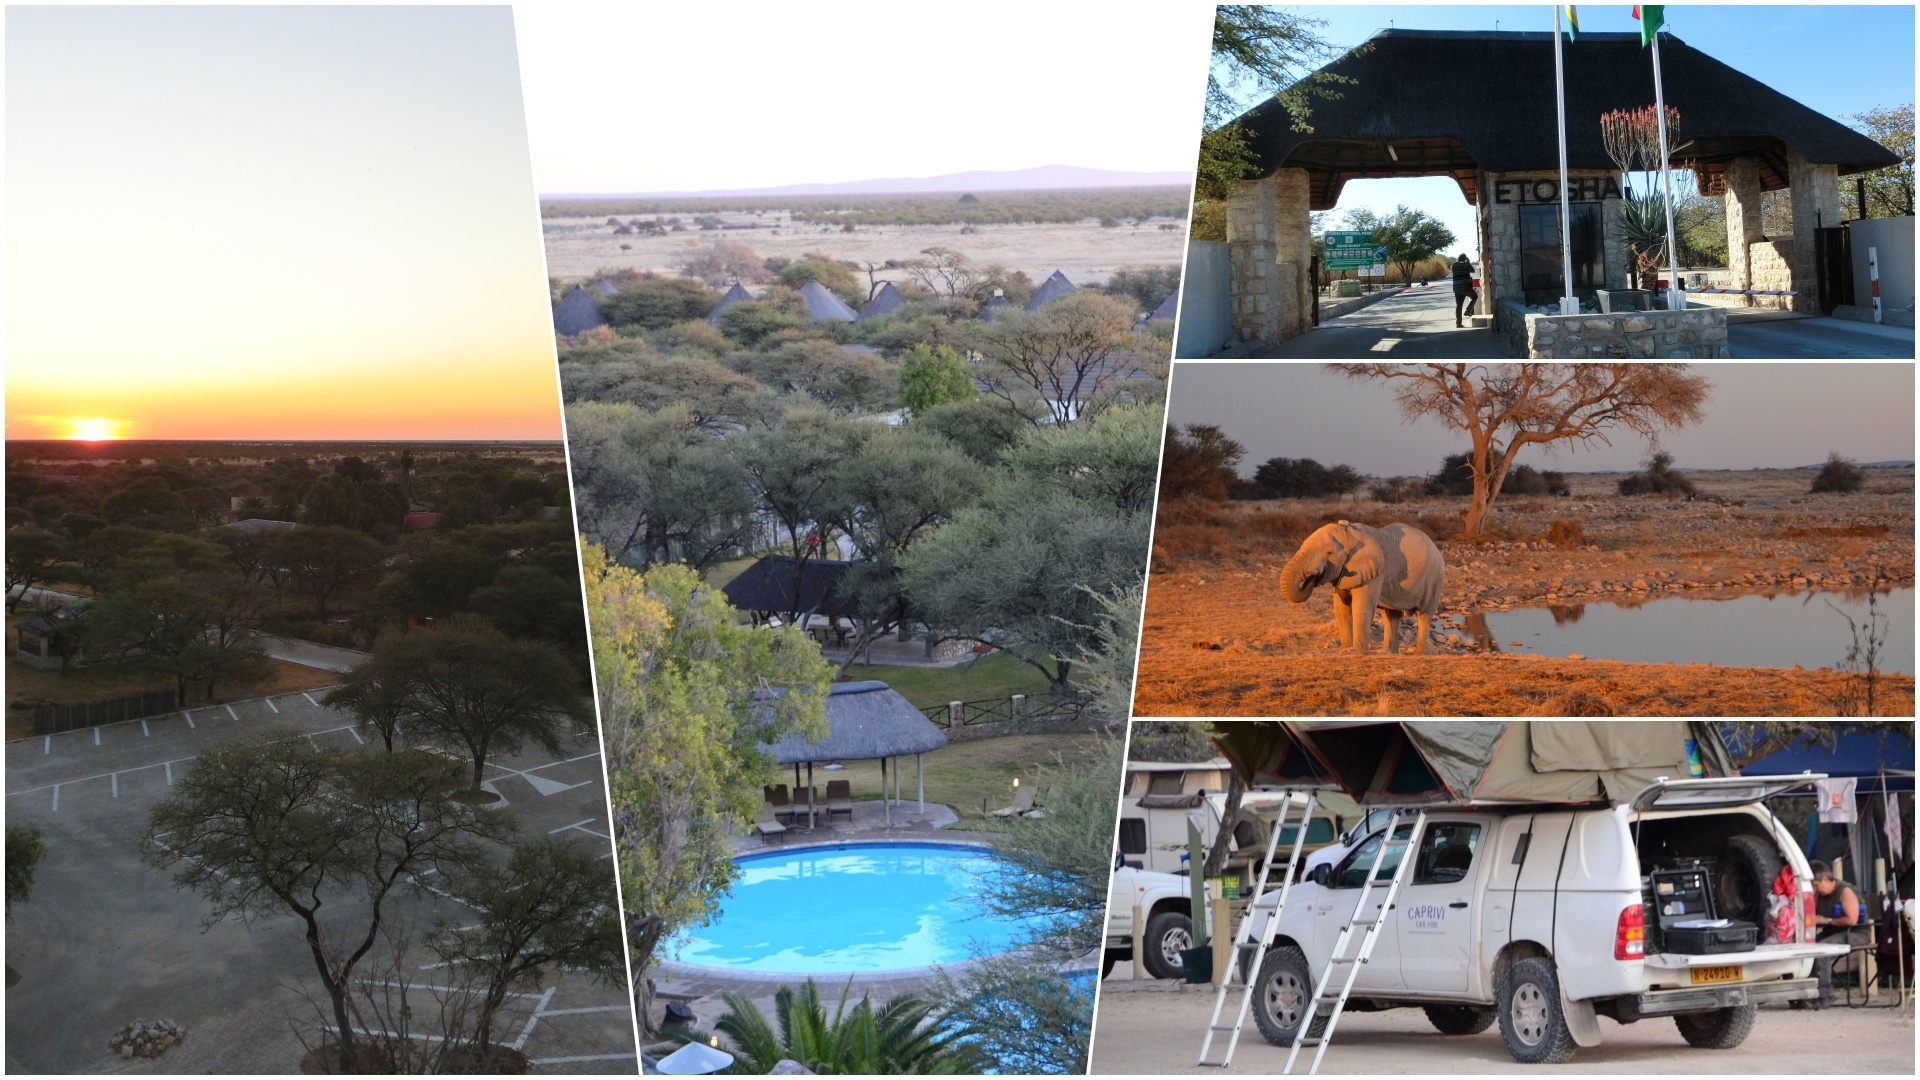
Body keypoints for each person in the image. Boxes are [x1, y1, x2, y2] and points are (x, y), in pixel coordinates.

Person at [1806, 860, 1867, 1008]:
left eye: (1815, 885)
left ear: (1826, 879)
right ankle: (1808, 994)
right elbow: (1816, 918)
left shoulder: (1845, 891)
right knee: (1807, 948)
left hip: (1854, 934)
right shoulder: (1819, 895)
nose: (1815, 889)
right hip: (1832, 932)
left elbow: (1851, 920)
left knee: (1823, 950)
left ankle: (1826, 995)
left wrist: (1826, 920)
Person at [1451, 253, 1478, 327]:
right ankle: (1467, 311)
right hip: (1465, 287)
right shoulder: (1466, 265)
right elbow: (1472, 271)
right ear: (1464, 258)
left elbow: (1454, 269)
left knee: (1458, 305)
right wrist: (1468, 263)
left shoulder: (1453, 265)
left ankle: (1458, 324)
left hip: (1456, 288)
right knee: (1474, 296)